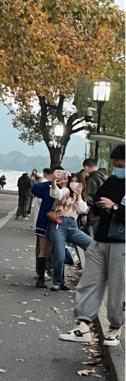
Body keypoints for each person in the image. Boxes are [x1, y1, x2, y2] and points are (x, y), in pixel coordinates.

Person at [59, 145, 125, 346]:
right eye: (115, 165)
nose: (117, 168)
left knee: (118, 287)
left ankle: (115, 327)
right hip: (100, 239)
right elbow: (96, 201)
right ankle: (83, 325)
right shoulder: (111, 181)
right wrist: (94, 204)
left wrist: (114, 207)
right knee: (89, 281)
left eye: (121, 165)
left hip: (121, 243)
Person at [47, 170, 91, 291]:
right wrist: (54, 181)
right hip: (59, 224)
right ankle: (57, 282)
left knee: (92, 245)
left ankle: (91, 276)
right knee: (59, 255)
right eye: (73, 181)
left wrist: (79, 195)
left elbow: (83, 209)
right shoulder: (66, 190)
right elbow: (56, 193)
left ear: (82, 184)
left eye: (77, 182)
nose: (74, 184)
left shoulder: (81, 197)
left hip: (73, 226)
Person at [32, 167, 60, 288]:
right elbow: (35, 188)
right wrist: (51, 181)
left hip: (59, 222)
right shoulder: (47, 187)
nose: (60, 177)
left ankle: (58, 277)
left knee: (58, 249)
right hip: (45, 220)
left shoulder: (66, 190)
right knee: (43, 249)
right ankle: (41, 276)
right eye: (57, 174)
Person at [82, 158, 108, 234]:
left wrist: (85, 214)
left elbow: (89, 198)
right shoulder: (105, 176)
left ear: (86, 167)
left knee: (92, 234)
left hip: (94, 212)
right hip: (105, 210)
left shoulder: (92, 178)